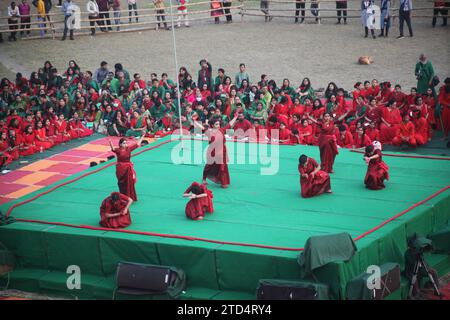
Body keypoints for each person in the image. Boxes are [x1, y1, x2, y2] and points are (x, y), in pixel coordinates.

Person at [193, 113, 238, 188]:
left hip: (222, 152)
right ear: (213, 125)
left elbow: (229, 124)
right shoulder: (209, 132)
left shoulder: (222, 130)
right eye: (217, 124)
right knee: (209, 166)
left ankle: (223, 182)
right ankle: (204, 178)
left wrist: (235, 117)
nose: (219, 125)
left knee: (223, 167)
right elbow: (201, 127)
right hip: (212, 152)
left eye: (219, 124)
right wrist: (194, 121)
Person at [109, 134, 146, 201]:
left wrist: (142, 137)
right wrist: (110, 142)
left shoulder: (129, 149)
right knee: (121, 183)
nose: (125, 144)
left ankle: (130, 196)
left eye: (126, 143)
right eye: (124, 143)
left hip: (128, 168)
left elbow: (137, 144)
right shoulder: (118, 150)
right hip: (120, 168)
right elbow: (113, 149)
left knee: (130, 182)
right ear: (120, 144)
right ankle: (123, 196)